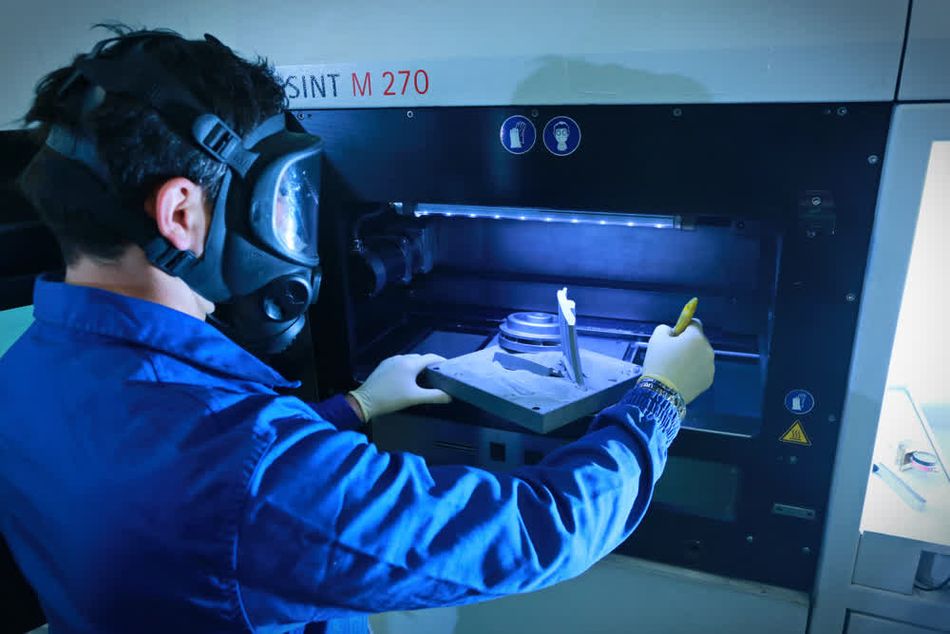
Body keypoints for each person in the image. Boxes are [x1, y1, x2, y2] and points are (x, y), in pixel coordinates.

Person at [0, 27, 715, 634]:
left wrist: (356, 408)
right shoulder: (249, 473)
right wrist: (659, 398)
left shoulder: (26, 372)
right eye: (279, 199)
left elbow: (192, 492)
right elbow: (531, 531)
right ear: (180, 213)